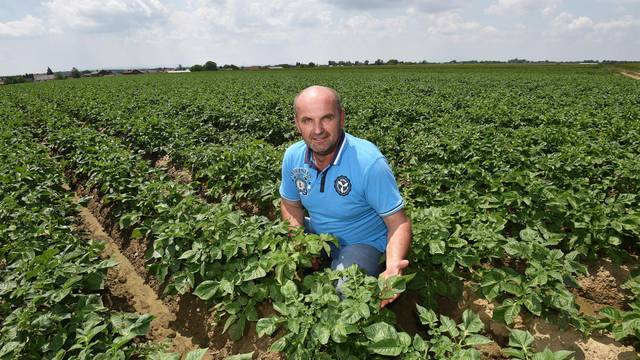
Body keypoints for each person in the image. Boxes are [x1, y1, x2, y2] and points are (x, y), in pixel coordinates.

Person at [279, 85, 412, 307]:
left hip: (362, 242)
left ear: (342, 117)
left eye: (327, 118)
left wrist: (392, 267)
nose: (318, 130)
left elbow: (398, 222)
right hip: (320, 233)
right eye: (308, 120)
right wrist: (301, 243)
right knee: (278, 250)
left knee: (342, 293)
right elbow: (290, 205)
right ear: (296, 123)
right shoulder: (293, 156)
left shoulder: (368, 162)